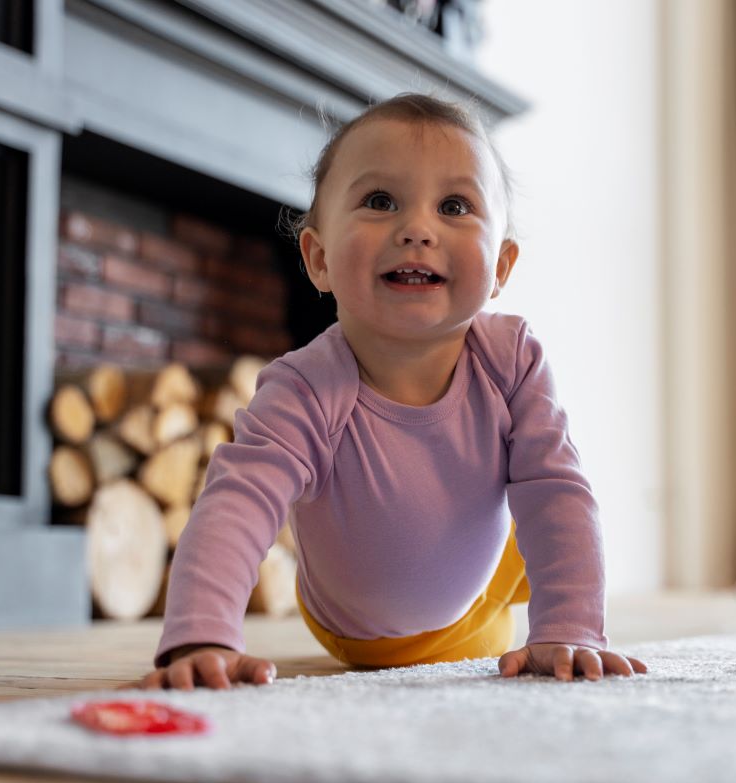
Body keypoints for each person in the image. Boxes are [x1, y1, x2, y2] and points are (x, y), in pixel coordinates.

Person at [135, 93, 647, 691]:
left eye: (455, 205)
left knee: (548, 507)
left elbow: (555, 490)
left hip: (484, 579)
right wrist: (203, 638)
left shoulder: (513, 360)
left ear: (502, 268)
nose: (417, 229)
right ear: (318, 259)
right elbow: (237, 504)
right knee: (499, 581)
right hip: (362, 636)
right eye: (380, 201)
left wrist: (571, 629)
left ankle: (522, 594)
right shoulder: (304, 388)